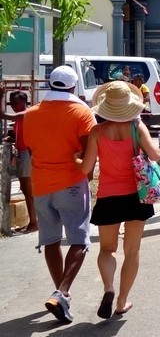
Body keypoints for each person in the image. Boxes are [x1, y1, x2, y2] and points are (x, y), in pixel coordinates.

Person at [21, 65, 96, 324]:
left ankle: (60, 295)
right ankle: (62, 292)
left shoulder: (31, 114)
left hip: (41, 183)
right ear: (74, 87)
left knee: (50, 240)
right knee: (79, 240)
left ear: (50, 85)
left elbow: (30, 149)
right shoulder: (81, 111)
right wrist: (89, 175)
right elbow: (89, 152)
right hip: (72, 182)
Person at [79, 81, 160, 319]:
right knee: (132, 250)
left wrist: (74, 160)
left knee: (107, 249)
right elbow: (155, 155)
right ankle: (122, 301)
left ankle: (109, 288)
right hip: (137, 194)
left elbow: (86, 168)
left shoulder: (97, 132)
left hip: (108, 196)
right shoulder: (137, 126)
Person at [4, 90, 38, 232]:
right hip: (23, 154)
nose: (13, 106)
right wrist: (13, 140)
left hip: (26, 156)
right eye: (11, 103)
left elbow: (3, 115)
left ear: (24, 102)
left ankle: (34, 223)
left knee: (28, 191)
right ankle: (33, 221)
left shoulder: (25, 114)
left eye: (15, 103)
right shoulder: (22, 117)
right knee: (27, 190)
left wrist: (0, 96)